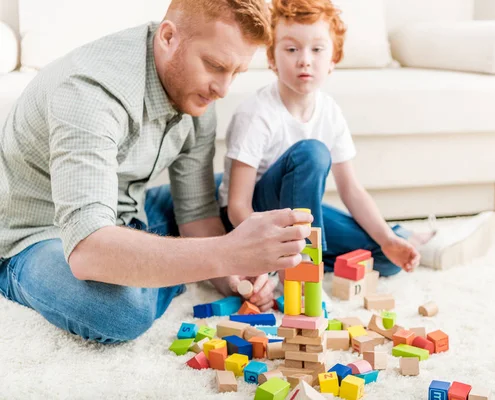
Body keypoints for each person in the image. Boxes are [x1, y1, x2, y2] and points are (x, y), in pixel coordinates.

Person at [0, 0, 311, 343]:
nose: (223, 89)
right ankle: (157, 270)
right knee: (122, 310)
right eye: (215, 65)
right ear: (167, 37)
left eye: (236, 72)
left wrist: (233, 276)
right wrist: (226, 252)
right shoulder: (89, 92)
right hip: (41, 236)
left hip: (129, 211)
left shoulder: (197, 95)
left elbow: (195, 213)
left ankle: (377, 243)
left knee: (248, 199)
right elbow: (88, 250)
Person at [217, 0, 495, 291]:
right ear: (272, 59)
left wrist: (388, 239)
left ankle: (400, 237)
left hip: (301, 217)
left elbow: (351, 190)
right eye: (291, 49)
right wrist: (267, 250)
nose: (305, 60)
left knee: (385, 256)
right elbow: (237, 206)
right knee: (311, 152)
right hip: (255, 219)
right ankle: (301, 267)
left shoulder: (330, 111)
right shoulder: (257, 114)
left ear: (333, 60)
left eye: (317, 49)